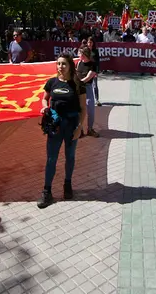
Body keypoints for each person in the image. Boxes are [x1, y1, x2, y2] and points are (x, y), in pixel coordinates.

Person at [37, 53, 87, 208]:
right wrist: (45, 106)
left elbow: (83, 108)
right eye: (58, 64)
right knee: (51, 159)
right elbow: (44, 98)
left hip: (72, 126)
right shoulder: (52, 82)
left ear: (70, 65)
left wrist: (79, 127)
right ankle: (47, 192)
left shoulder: (77, 84)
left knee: (70, 157)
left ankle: (67, 184)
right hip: (55, 126)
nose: (60, 67)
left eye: (64, 64)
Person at [77, 47, 99, 137]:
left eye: (80, 54)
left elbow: (88, 78)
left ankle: (90, 129)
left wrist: (78, 82)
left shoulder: (93, 65)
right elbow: (75, 73)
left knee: (90, 108)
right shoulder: (78, 63)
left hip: (87, 87)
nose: (78, 55)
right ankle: (80, 129)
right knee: (78, 109)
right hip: (78, 88)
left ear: (84, 54)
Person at [86, 38, 102, 106]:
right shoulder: (85, 51)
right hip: (86, 71)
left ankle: (96, 100)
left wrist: (96, 72)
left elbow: (97, 62)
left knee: (95, 86)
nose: (89, 44)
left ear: (93, 43)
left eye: (91, 42)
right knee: (86, 86)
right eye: (88, 42)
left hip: (94, 71)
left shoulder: (96, 51)